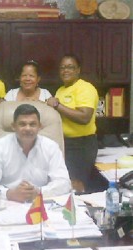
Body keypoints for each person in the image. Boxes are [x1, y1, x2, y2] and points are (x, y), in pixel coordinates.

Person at [0, 104, 71, 202]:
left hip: (41, 203)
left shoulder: (51, 147)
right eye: (22, 124)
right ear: (13, 126)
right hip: (8, 202)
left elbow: (64, 183)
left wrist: (39, 192)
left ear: (39, 126)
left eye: (32, 124)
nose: (28, 128)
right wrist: (8, 193)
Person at [46, 54, 99, 193]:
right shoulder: (61, 90)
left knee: (77, 185)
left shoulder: (85, 88)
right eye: (62, 68)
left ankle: (80, 213)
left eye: (70, 67)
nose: (65, 71)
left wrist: (57, 105)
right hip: (64, 144)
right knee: (65, 184)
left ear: (78, 70)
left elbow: (84, 117)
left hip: (82, 145)